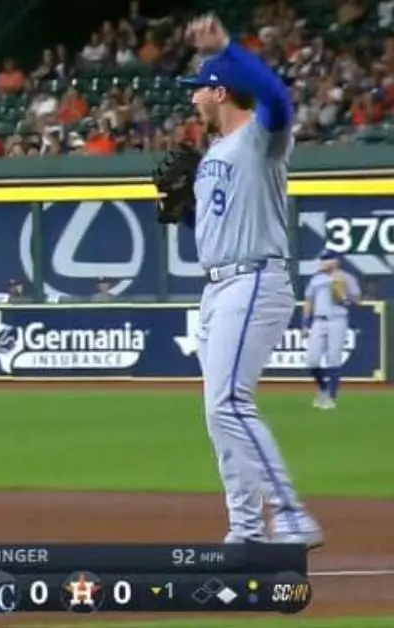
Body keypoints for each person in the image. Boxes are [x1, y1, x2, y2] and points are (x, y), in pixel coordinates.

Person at [178, 13, 322, 548]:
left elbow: (280, 101)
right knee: (218, 412)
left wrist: (228, 48)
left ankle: (290, 515)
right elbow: (212, 227)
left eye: (199, 90)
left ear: (219, 91)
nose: (192, 99)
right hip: (217, 285)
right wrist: (182, 212)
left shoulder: (262, 138)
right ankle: (246, 528)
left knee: (230, 403)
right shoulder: (212, 153)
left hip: (255, 279)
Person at [301, 250, 360, 409]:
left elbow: (356, 299)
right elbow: (309, 302)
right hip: (319, 321)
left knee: (333, 358)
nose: (322, 262)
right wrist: (305, 323)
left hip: (337, 320)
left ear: (336, 261)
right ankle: (323, 388)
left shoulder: (346, 277)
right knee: (311, 361)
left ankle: (331, 397)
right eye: (322, 259)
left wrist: (344, 294)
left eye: (326, 259)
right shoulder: (316, 279)